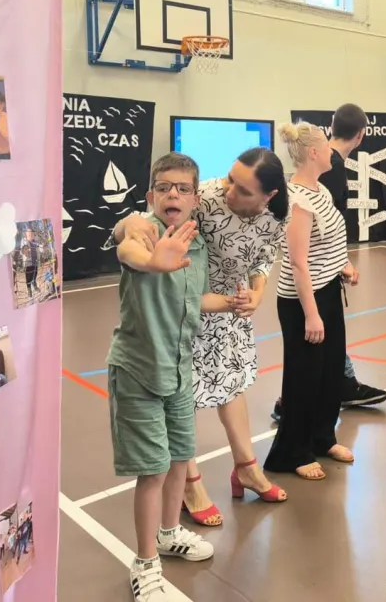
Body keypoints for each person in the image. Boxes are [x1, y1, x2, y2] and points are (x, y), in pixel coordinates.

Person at [114, 147, 290, 527]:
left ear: (268, 196)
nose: (229, 191)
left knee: (232, 383)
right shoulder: (204, 196)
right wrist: (128, 225)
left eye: (243, 189)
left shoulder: (278, 215)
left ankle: (246, 468)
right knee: (184, 394)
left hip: (231, 305)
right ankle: (189, 484)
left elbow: (264, 256)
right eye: (230, 179)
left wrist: (257, 292)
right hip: (188, 304)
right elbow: (143, 224)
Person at [108, 152, 235, 601]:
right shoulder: (143, 231)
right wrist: (151, 260)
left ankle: (168, 533)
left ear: (195, 198)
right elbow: (127, 247)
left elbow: (195, 299)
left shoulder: (194, 243)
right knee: (153, 469)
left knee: (180, 457)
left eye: (182, 188)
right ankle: (145, 563)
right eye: (164, 187)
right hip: (139, 371)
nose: (173, 194)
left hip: (180, 370)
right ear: (150, 196)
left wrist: (231, 302)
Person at [273, 104, 386, 421]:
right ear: (361, 135)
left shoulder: (324, 180)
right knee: (310, 359)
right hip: (311, 285)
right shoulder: (327, 174)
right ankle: (293, 404)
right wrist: (313, 308)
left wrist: (341, 262)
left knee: (327, 353)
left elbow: (329, 230)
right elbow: (303, 252)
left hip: (326, 278)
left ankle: (337, 390)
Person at [264, 122, 357, 481]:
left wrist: (343, 265)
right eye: (326, 146)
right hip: (303, 301)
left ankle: (322, 437)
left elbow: (328, 242)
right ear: (314, 152)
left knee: (330, 372)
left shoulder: (321, 190)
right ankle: (293, 452)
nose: (332, 151)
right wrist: (312, 314)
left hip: (328, 290)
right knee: (304, 377)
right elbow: (298, 262)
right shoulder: (297, 200)